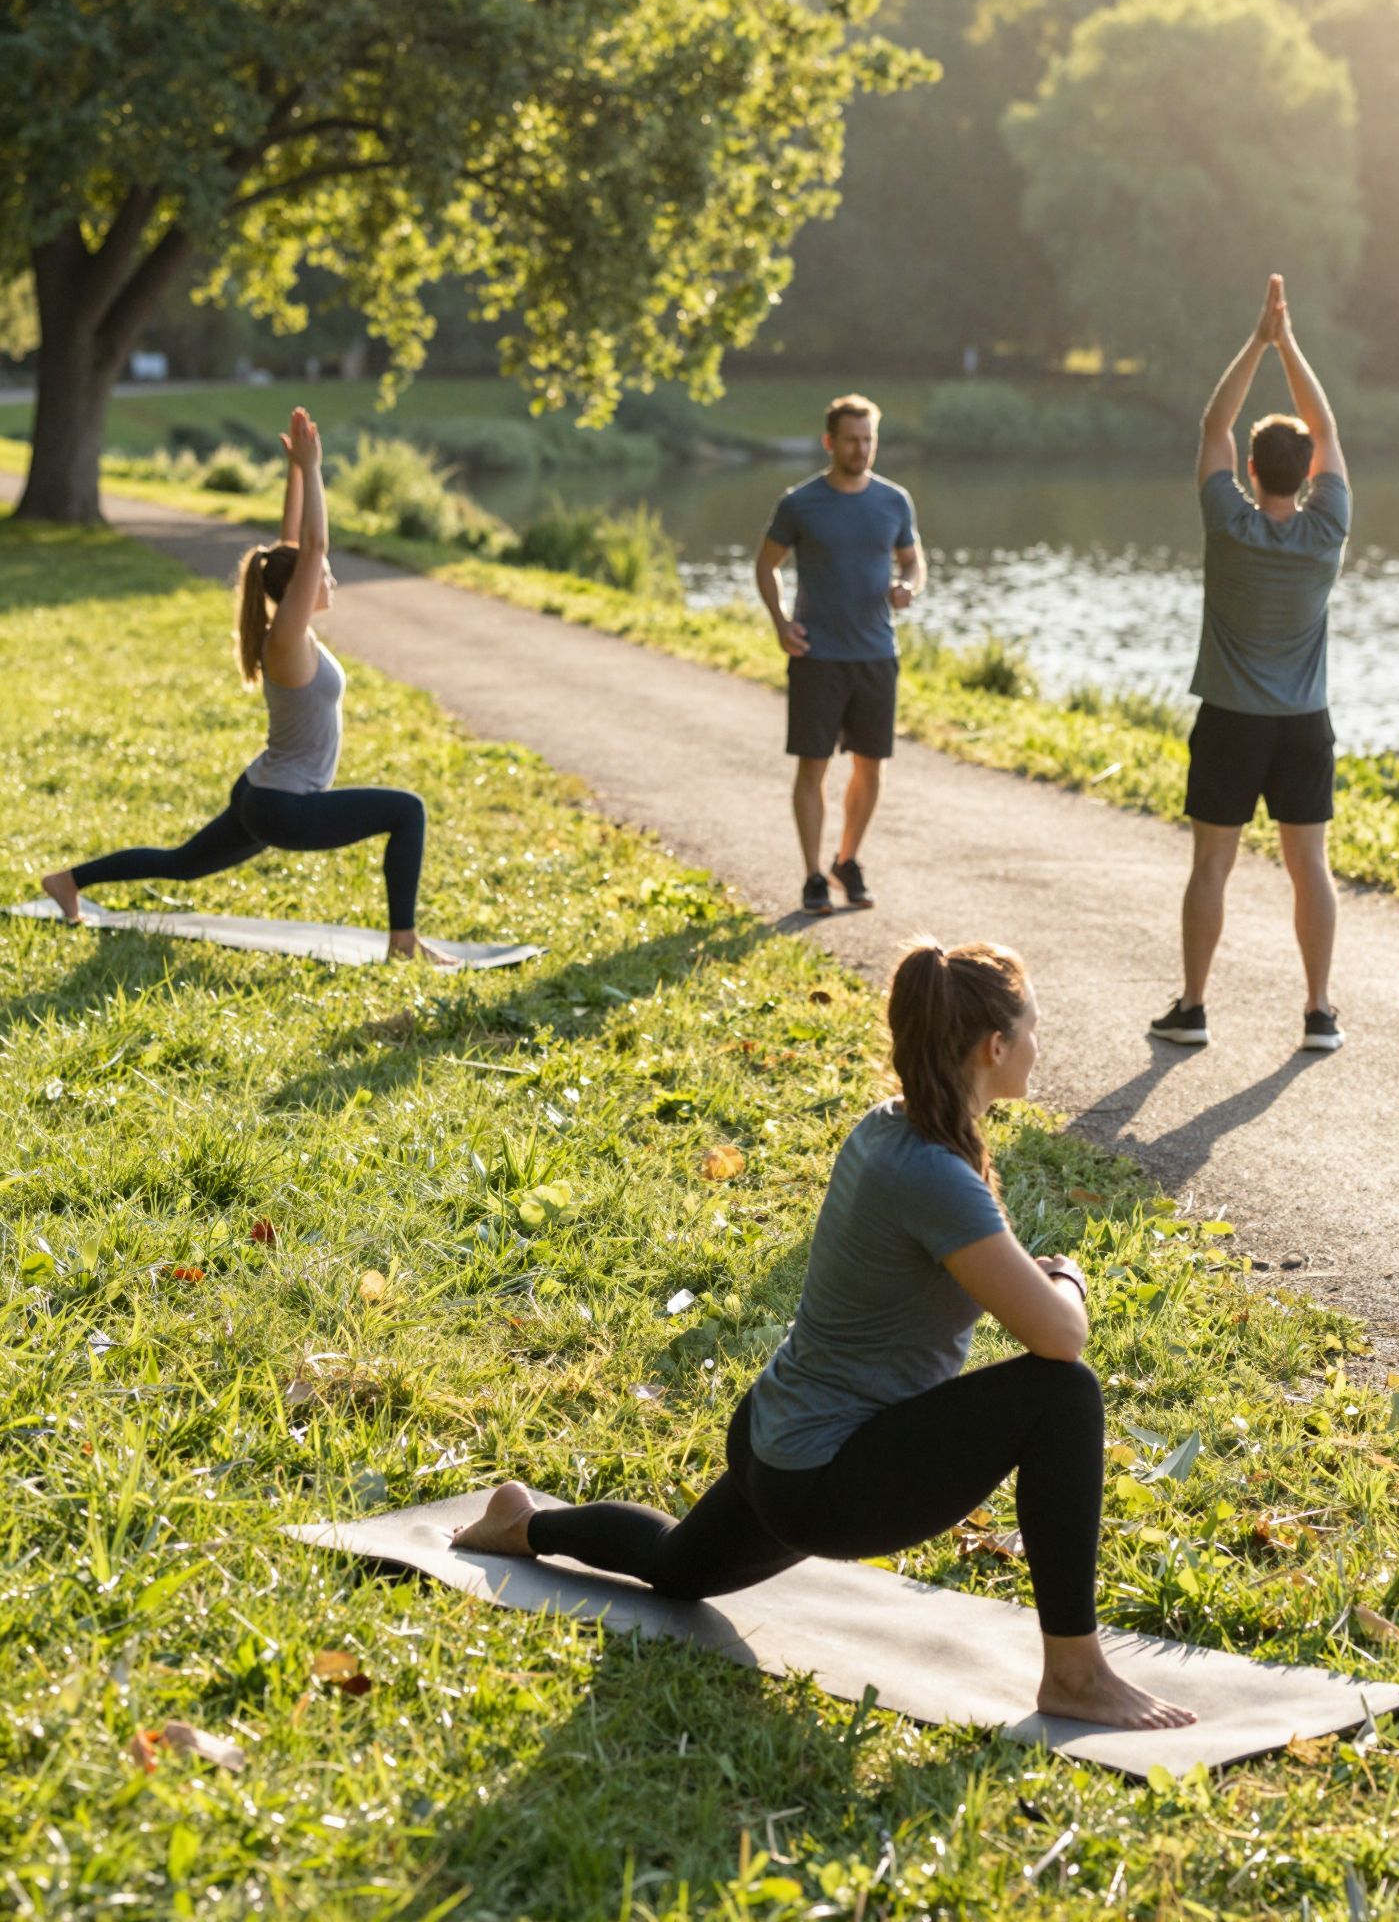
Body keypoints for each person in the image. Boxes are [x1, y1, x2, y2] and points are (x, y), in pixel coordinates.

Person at [453, 939, 1196, 1732]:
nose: (1039, 1046)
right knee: (1064, 1397)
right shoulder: (936, 1174)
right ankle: (1075, 1676)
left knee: (677, 1569)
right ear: (995, 1047)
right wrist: (1068, 1277)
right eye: (1034, 1029)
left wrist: (1031, 1277)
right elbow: (1061, 1340)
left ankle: (521, 1523)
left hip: (775, 1444)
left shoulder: (886, 1131)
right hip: (826, 1485)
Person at [41, 408, 447, 962]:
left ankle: (67, 881)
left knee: (181, 864)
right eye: (318, 577)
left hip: (262, 791)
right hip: (283, 807)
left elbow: (289, 548)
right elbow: (313, 548)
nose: (328, 580)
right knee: (408, 810)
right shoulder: (285, 639)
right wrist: (315, 467)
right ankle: (403, 943)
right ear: (300, 587)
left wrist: (296, 473)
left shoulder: (284, 628)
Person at [1151, 274, 1351, 1053]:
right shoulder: (1326, 527)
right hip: (1303, 725)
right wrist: (1289, 340)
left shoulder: (1226, 521)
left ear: (1251, 470)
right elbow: (1327, 428)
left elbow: (1213, 423)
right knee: (1311, 868)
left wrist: (1257, 340)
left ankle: (1194, 1009)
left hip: (1231, 721)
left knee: (1212, 864)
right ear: (1305, 474)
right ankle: (1319, 1013)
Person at [754, 395, 926, 917]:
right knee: (814, 766)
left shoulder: (895, 500)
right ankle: (812, 875)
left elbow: (914, 562)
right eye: (852, 439)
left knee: (870, 768)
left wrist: (908, 589)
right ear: (830, 442)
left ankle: (847, 861)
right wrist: (782, 624)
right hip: (818, 657)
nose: (862, 449)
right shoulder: (800, 503)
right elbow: (766, 566)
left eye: (869, 439)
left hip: (876, 654)